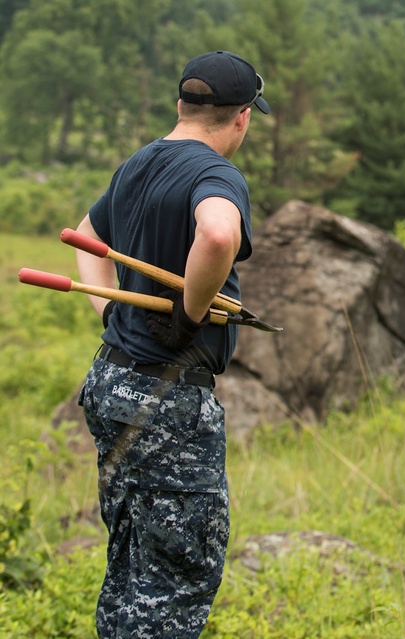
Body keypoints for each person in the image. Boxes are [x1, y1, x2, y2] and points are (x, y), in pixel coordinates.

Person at [73, 50, 269, 638]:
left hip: (112, 385)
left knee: (133, 571)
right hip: (167, 399)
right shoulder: (216, 173)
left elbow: (85, 239)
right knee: (176, 584)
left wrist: (109, 307)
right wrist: (188, 317)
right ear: (241, 118)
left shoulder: (139, 163)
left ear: (181, 105)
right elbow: (216, 232)